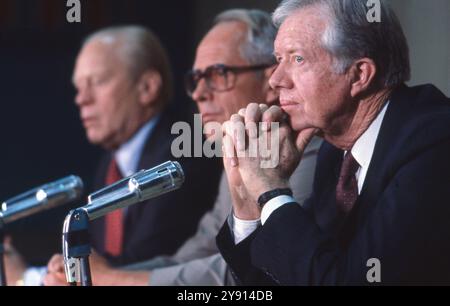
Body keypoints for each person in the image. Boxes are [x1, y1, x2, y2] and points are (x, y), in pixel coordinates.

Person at [43, 9, 321, 286]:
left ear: (269, 80)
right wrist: (96, 278)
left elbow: (244, 273)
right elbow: (195, 255)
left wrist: (113, 279)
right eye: (196, 79)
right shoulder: (240, 151)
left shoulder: (301, 147)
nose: (200, 93)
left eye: (218, 73)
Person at [217, 0, 450, 285]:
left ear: (359, 75)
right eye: (279, 59)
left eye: (298, 59)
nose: (276, 80)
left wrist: (271, 189)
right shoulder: (335, 153)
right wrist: (247, 201)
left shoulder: (435, 141)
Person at [6, 25, 222, 286]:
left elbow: (137, 266)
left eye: (96, 82)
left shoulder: (185, 153)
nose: (81, 99)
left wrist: (27, 278)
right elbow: (98, 260)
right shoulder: (111, 164)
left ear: (147, 87)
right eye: (78, 87)